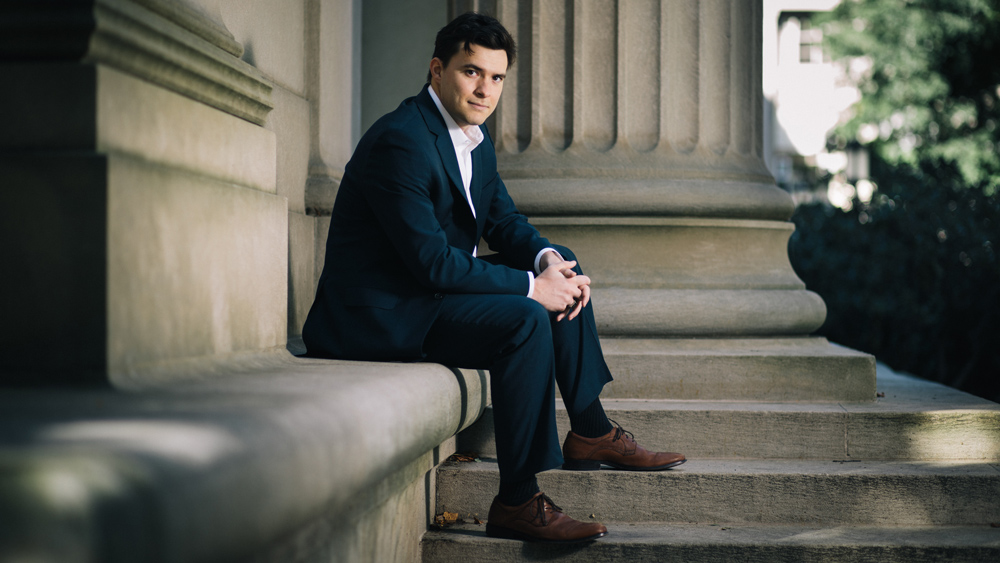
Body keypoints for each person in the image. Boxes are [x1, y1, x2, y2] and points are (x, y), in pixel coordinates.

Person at [303, 12, 685, 543]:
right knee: (526, 319)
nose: (485, 89)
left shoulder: (470, 136)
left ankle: (591, 432)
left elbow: (502, 221)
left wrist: (547, 260)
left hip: (429, 296)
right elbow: (431, 263)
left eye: (497, 77)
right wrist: (532, 288)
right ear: (437, 70)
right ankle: (517, 500)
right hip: (385, 314)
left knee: (562, 261)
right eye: (471, 72)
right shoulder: (402, 140)